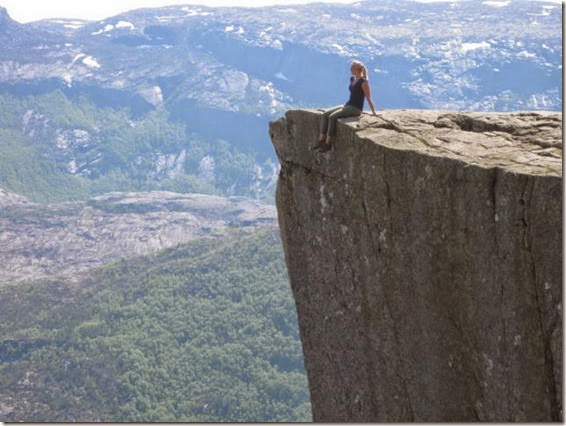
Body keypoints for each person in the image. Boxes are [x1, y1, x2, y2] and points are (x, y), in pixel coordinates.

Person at [313, 60, 377, 153]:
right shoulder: (352, 79)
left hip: (355, 108)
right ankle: (321, 140)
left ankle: (328, 143)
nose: (350, 69)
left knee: (332, 117)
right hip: (348, 104)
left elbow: (368, 97)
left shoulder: (364, 82)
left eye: (352, 68)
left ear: (357, 69)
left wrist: (373, 112)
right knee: (325, 114)